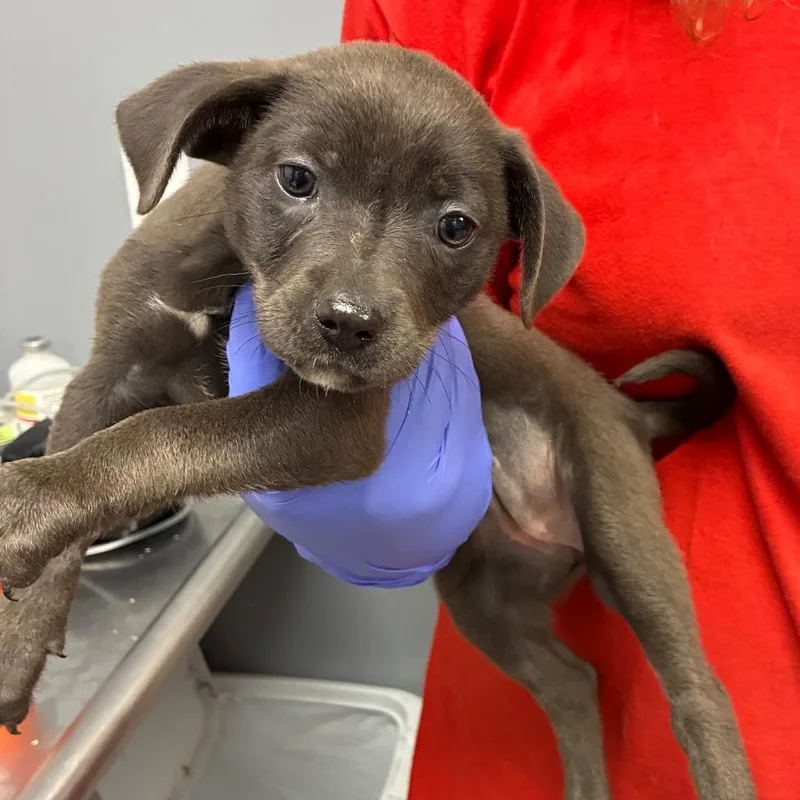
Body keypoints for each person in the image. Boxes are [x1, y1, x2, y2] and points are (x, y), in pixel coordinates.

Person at [226, 0, 800, 796]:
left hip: (755, 652)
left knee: (695, 702)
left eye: (458, 223)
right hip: (500, 620)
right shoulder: (450, 16)